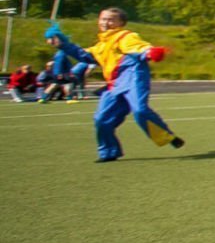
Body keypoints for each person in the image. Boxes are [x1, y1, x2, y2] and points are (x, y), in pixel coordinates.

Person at [44, 13, 184, 161]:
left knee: (140, 110)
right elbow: (83, 54)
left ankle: (167, 137)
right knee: (101, 118)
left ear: (121, 23)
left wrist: (150, 52)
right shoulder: (101, 45)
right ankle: (109, 152)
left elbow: (138, 48)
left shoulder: (125, 37)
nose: (105, 22)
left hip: (132, 79)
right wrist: (63, 44)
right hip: (114, 84)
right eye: (103, 19)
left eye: (111, 19)